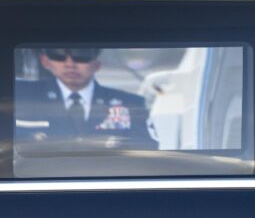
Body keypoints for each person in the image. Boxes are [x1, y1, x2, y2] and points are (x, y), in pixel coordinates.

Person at [15, 48, 157, 152]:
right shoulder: (20, 95)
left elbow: (146, 151)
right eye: (58, 55)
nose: (69, 63)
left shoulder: (130, 103)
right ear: (45, 61)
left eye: (80, 55)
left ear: (96, 64)